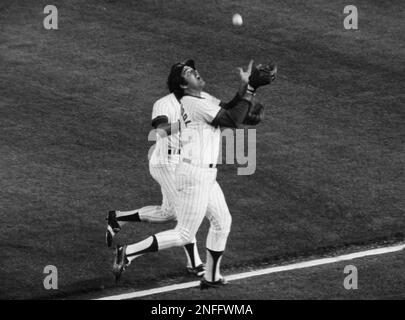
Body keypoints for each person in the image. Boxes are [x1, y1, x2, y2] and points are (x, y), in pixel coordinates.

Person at [112, 59, 274, 288]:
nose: (195, 72)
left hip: (206, 175)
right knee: (184, 233)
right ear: (183, 85)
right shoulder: (191, 103)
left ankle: (211, 276)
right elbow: (229, 120)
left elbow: (229, 107)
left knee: (222, 222)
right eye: (188, 72)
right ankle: (127, 252)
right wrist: (251, 89)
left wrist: (246, 87)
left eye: (193, 69)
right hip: (193, 174)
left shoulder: (203, 98)